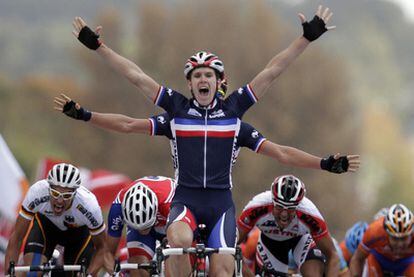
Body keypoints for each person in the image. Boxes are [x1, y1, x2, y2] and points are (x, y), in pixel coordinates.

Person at [68, 5, 361, 275]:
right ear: (190, 83)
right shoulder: (176, 111)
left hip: (221, 204)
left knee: (222, 269)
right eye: (197, 76)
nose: (203, 80)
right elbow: (134, 92)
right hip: (185, 201)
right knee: (178, 243)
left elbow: (273, 80)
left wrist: (324, 163)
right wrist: (97, 54)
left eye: (208, 74)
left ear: (219, 81)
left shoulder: (235, 113)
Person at [55, 90, 359, 277]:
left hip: (215, 205)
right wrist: (85, 114)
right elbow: (128, 120)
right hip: (185, 206)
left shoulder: (234, 121)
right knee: (171, 251)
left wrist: (323, 162)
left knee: (223, 263)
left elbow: (280, 151)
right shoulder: (177, 117)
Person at [4, 163, 113, 276]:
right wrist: (8, 274)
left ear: (75, 193)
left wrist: (90, 274)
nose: (60, 200)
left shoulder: (89, 205)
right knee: (33, 273)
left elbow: (102, 248)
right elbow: (17, 237)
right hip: (46, 229)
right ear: (48, 188)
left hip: (78, 236)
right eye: (55, 193)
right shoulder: (37, 192)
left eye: (66, 196)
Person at [237, 174, 340, 277]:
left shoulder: (310, 214)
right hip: (271, 242)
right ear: (272, 201)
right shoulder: (257, 207)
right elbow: (230, 245)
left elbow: (333, 256)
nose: (284, 214)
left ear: (298, 205)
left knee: (313, 274)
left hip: (301, 239)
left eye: (290, 209)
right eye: (279, 207)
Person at [107, 176, 176, 277]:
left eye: (145, 227)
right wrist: (113, 271)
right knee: (138, 265)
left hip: (168, 218)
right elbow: (109, 251)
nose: (142, 231)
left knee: (174, 260)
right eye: (139, 228)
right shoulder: (118, 207)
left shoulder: (169, 204)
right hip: (146, 217)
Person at [350, 203, 414, 276]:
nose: (400, 244)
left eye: (404, 238)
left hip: (407, 262)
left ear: (411, 233)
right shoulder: (375, 231)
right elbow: (358, 259)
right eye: (395, 239)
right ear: (386, 233)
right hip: (379, 260)